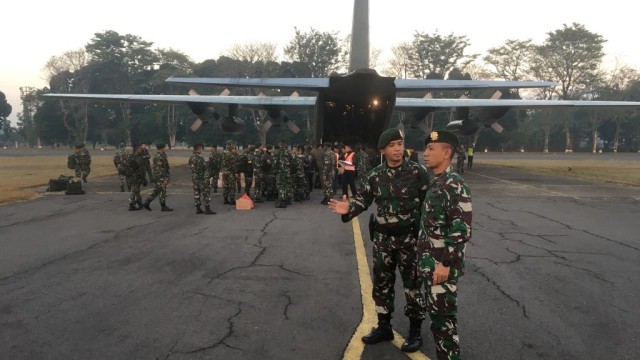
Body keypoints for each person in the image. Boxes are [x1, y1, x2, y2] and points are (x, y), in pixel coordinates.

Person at [328, 128, 429, 353]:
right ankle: (384, 327)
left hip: (409, 240)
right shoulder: (375, 175)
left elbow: (428, 204)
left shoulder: (417, 172)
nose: (397, 149)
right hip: (383, 241)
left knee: (413, 286)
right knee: (382, 286)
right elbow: (363, 200)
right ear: (383, 149)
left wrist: (426, 238)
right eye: (392, 145)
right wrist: (349, 208)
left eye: (400, 144)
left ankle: (415, 332)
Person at [419, 130, 472, 360]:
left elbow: (461, 230)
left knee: (444, 326)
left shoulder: (454, 184)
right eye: (426, 148)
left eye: (431, 149)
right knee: (438, 322)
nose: (425, 153)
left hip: (442, 268)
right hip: (432, 266)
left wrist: (445, 263)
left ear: (447, 152)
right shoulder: (438, 182)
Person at [143, 143, 173, 211]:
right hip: (160, 177)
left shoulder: (162, 155)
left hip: (161, 176)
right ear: (162, 148)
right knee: (162, 191)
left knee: (157, 190)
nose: (165, 149)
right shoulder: (158, 157)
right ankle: (163, 206)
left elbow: (165, 167)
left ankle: (147, 202)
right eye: (164, 147)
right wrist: (163, 179)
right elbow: (158, 169)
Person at [188, 143, 215, 214]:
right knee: (205, 193)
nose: (202, 150)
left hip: (194, 178)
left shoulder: (191, 157)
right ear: (199, 148)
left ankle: (198, 208)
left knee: (196, 193)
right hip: (201, 178)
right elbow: (204, 167)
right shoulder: (200, 158)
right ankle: (207, 209)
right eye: (201, 148)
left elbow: (190, 166)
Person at [126, 144, 146, 211]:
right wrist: (143, 178)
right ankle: (131, 204)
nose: (141, 150)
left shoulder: (130, 157)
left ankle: (140, 203)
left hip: (133, 176)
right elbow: (141, 169)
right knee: (134, 190)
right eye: (140, 149)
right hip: (135, 177)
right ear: (137, 149)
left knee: (137, 190)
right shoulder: (137, 158)